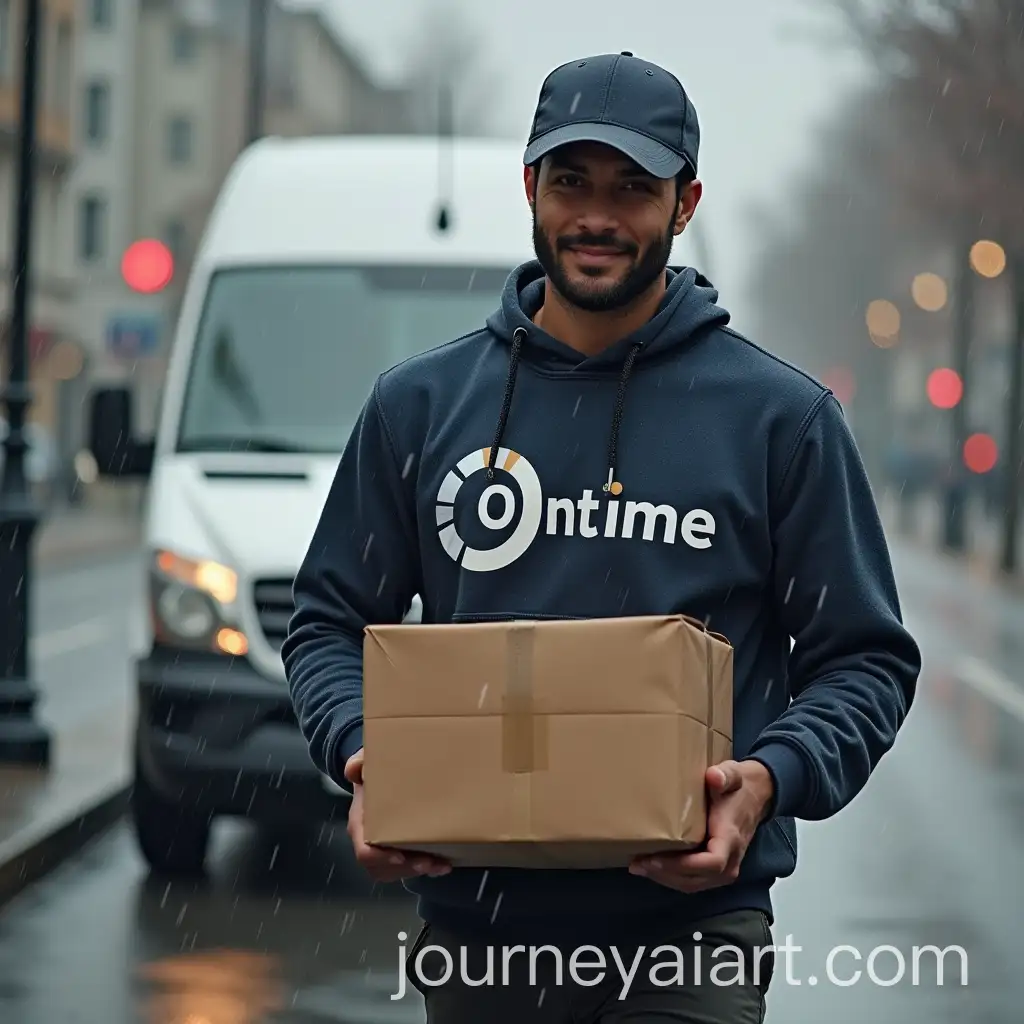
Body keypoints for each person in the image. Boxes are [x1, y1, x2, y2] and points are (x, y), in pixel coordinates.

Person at [283, 51, 921, 1024]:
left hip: (690, 924)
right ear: (530, 185)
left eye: (634, 188)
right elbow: (327, 618)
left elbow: (865, 660)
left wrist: (766, 781)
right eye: (572, 181)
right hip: (478, 923)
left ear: (684, 202)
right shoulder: (418, 406)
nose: (596, 216)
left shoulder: (777, 419)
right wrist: (366, 754)